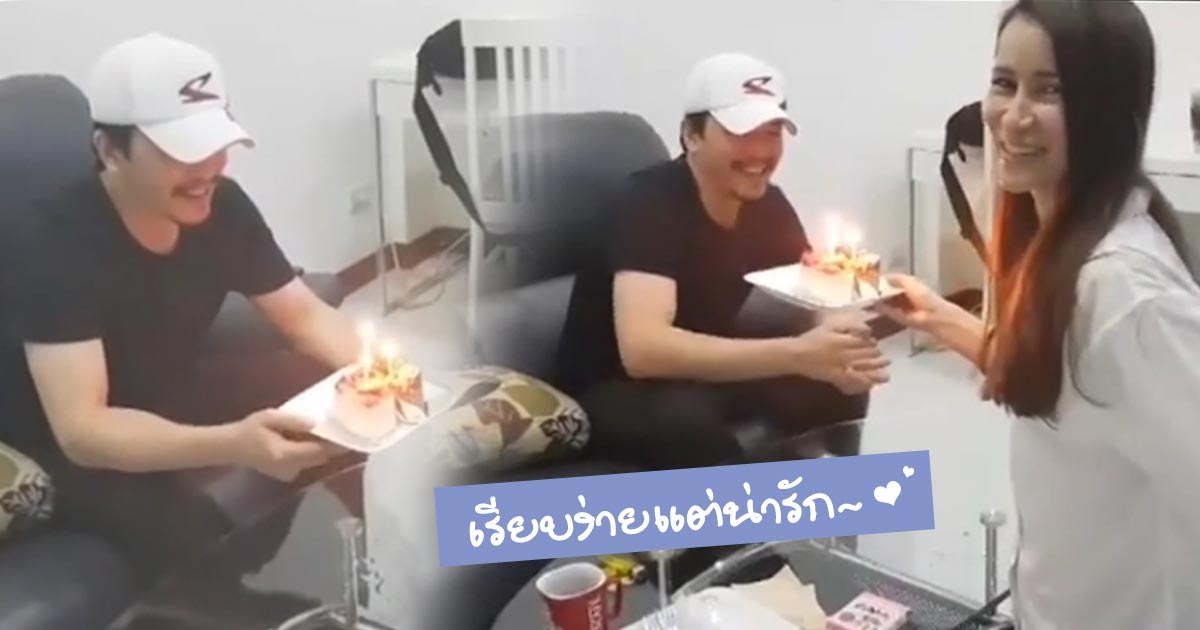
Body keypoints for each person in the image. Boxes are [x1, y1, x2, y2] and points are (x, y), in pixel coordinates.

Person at [877, 1, 1200, 628]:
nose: (1014, 115)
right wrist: (934, 314)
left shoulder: (1124, 292)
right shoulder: (1062, 247)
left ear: (1107, 109)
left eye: (1050, 91)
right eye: (1004, 83)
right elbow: (1060, 380)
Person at [0, 33, 363, 582]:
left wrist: (394, 380)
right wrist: (234, 444)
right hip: (63, 439)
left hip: (166, 385)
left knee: (343, 405)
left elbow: (304, 317)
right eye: (181, 152)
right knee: (193, 540)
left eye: (216, 143)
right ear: (109, 150)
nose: (209, 169)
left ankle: (447, 554)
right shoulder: (53, 243)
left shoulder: (223, 206)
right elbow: (83, 430)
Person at [554, 52, 891, 473]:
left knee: (835, 387)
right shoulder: (648, 203)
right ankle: (739, 516)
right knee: (688, 426)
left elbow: (813, 291)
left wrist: (837, 339)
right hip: (613, 385)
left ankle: (831, 507)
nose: (761, 152)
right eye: (740, 132)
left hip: (700, 367)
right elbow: (643, 351)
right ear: (691, 136)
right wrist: (797, 354)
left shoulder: (767, 204)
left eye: (772, 132)